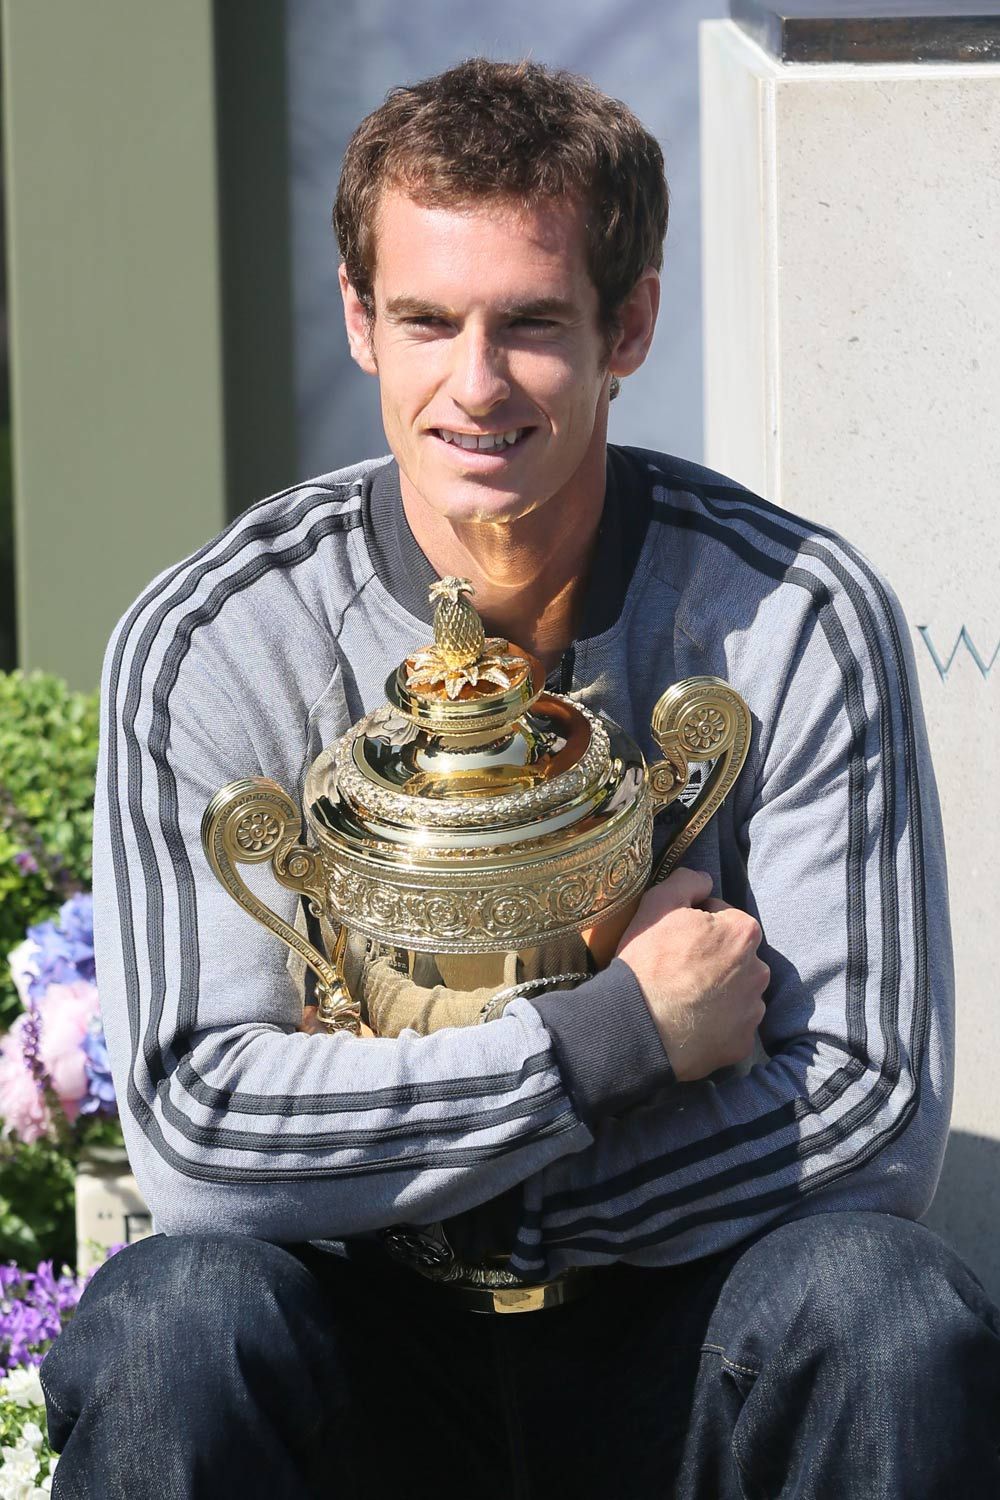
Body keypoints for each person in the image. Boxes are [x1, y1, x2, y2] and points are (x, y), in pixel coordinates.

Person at [42, 58, 999, 1499]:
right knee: (170, 1331)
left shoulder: (793, 612)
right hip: (349, 1349)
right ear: (360, 320)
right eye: (427, 320)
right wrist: (621, 1038)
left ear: (630, 324)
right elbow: (199, 1136)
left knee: (884, 1312)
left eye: (533, 325)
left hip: (682, 1336)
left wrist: (409, 1129)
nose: (475, 385)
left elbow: (863, 1110)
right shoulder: (215, 637)